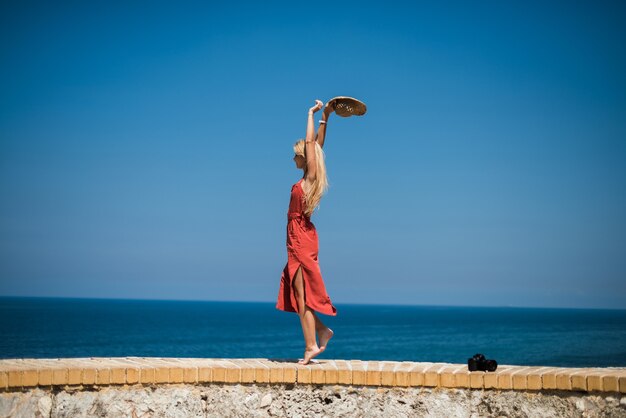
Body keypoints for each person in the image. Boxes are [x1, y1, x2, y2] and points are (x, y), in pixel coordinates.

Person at [276, 99, 338, 365]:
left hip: (301, 237)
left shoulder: (309, 179)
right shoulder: (307, 177)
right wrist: (325, 118)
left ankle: (311, 345)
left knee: (302, 295)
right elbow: (317, 146)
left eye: (295, 154)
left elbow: (313, 144)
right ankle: (321, 332)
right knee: (298, 291)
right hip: (298, 237)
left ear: (303, 156)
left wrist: (312, 114)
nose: (293, 157)